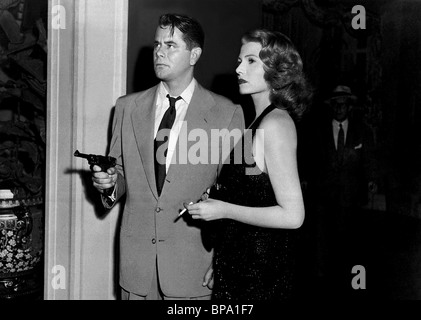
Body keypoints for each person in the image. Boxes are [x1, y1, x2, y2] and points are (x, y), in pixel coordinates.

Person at [91, 13, 244, 300]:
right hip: (137, 269)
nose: (160, 51)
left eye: (171, 45)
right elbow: (119, 172)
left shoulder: (228, 113)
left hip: (194, 268)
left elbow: (237, 194)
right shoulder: (126, 107)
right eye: (157, 44)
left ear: (194, 54)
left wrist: (225, 258)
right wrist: (109, 182)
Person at [185, 29, 313, 300]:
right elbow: (252, 198)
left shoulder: (276, 124)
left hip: (262, 276)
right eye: (240, 60)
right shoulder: (256, 122)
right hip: (243, 264)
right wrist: (223, 260)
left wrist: (222, 209)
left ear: (277, 70)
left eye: (251, 61)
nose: (239, 68)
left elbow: (293, 216)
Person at [306, 85, 378, 296]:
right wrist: (305, 179)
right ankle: (321, 284)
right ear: (332, 107)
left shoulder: (362, 131)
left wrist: (372, 179)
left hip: (350, 195)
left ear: (350, 107)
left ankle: (351, 281)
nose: (339, 108)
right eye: (336, 104)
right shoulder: (319, 130)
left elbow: (369, 159)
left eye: (343, 104)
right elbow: (310, 158)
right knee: (321, 239)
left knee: (348, 238)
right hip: (323, 195)